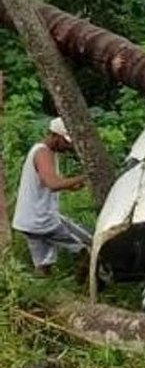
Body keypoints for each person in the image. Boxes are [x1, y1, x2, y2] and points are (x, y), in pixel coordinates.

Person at [12, 117, 86, 276]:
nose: (68, 147)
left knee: (43, 265)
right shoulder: (43, 153)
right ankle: (86, 286)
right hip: (41, 221)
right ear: (55, 136)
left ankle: (40, 292)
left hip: (29, 220)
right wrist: (86, 176)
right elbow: (53, 184)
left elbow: (48, 182)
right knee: (87, 247)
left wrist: (71, 186)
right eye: (66, 142)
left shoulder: (47, 152)